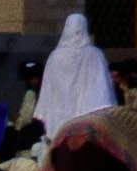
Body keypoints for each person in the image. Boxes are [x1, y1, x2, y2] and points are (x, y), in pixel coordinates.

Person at [36, 10, 117, 138]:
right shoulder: (95, 55)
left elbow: (49, 91)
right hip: (88, 121)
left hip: (60, 120)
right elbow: (102, 91)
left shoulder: (55, 57)